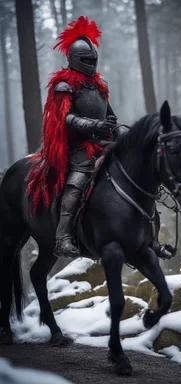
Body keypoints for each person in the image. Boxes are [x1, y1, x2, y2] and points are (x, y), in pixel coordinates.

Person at [27, 16, 127, 258]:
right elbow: (66, 119)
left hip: (103, 142)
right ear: (74, 60)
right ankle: (63, 237)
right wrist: (97, 124)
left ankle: (147, 234)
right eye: (86, 60)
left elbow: (110, 117)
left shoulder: (99, 84)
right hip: (76, 146)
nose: (91, 64)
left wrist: (123, 133)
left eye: (93, 60)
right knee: (77, 181)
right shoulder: (64, 85)